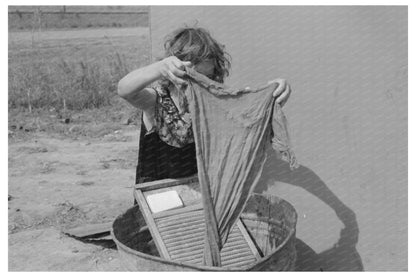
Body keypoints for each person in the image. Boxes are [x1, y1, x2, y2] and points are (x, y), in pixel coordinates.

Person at [117, 26, 292, 186]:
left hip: (199, 195)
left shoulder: (214, 104)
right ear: (174, 71)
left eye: (207, 77)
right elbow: (125, 90)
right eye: (194, 77)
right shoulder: (156, 101)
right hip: (157, 197)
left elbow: (251, 111)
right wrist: (159, 67)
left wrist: (274, 93)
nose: (200, 84)